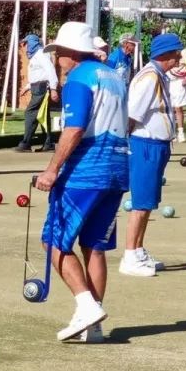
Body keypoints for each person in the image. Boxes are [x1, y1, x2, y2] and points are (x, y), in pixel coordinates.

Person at [33, 21, 131, 343]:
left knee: (54, 241)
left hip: (87, 171)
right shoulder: (114, 77)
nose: (57, 56)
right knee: (94, 246)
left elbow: (74, 129)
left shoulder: (78, 79)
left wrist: (51, 170)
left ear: (71, 53)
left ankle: (86, 306)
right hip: (117, 170)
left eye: (58, 51)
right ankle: (94, 326)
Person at [121, 32, 185, 277]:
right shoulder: (150, 77)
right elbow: (132, 114)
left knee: (148, 202)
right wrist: (126, 143)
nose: (179, 57)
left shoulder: (159, 76)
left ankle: (137, 250)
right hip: (145, 144)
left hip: (156, 145)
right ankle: (129, 256)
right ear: (165, 54)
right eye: (176, 52)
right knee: (140, 203)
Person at [17, 32, 57, 152]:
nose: (24, 46)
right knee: (42, 115)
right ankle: (48, 143)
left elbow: (50, 71)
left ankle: (26, 143)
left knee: (30, 113)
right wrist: (28, 86)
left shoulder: (41, 54)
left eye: (25, 43)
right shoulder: (35, 56)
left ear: (32, 43)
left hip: (42, 87)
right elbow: (38, 74)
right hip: (37, 86)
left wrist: (54, 89)